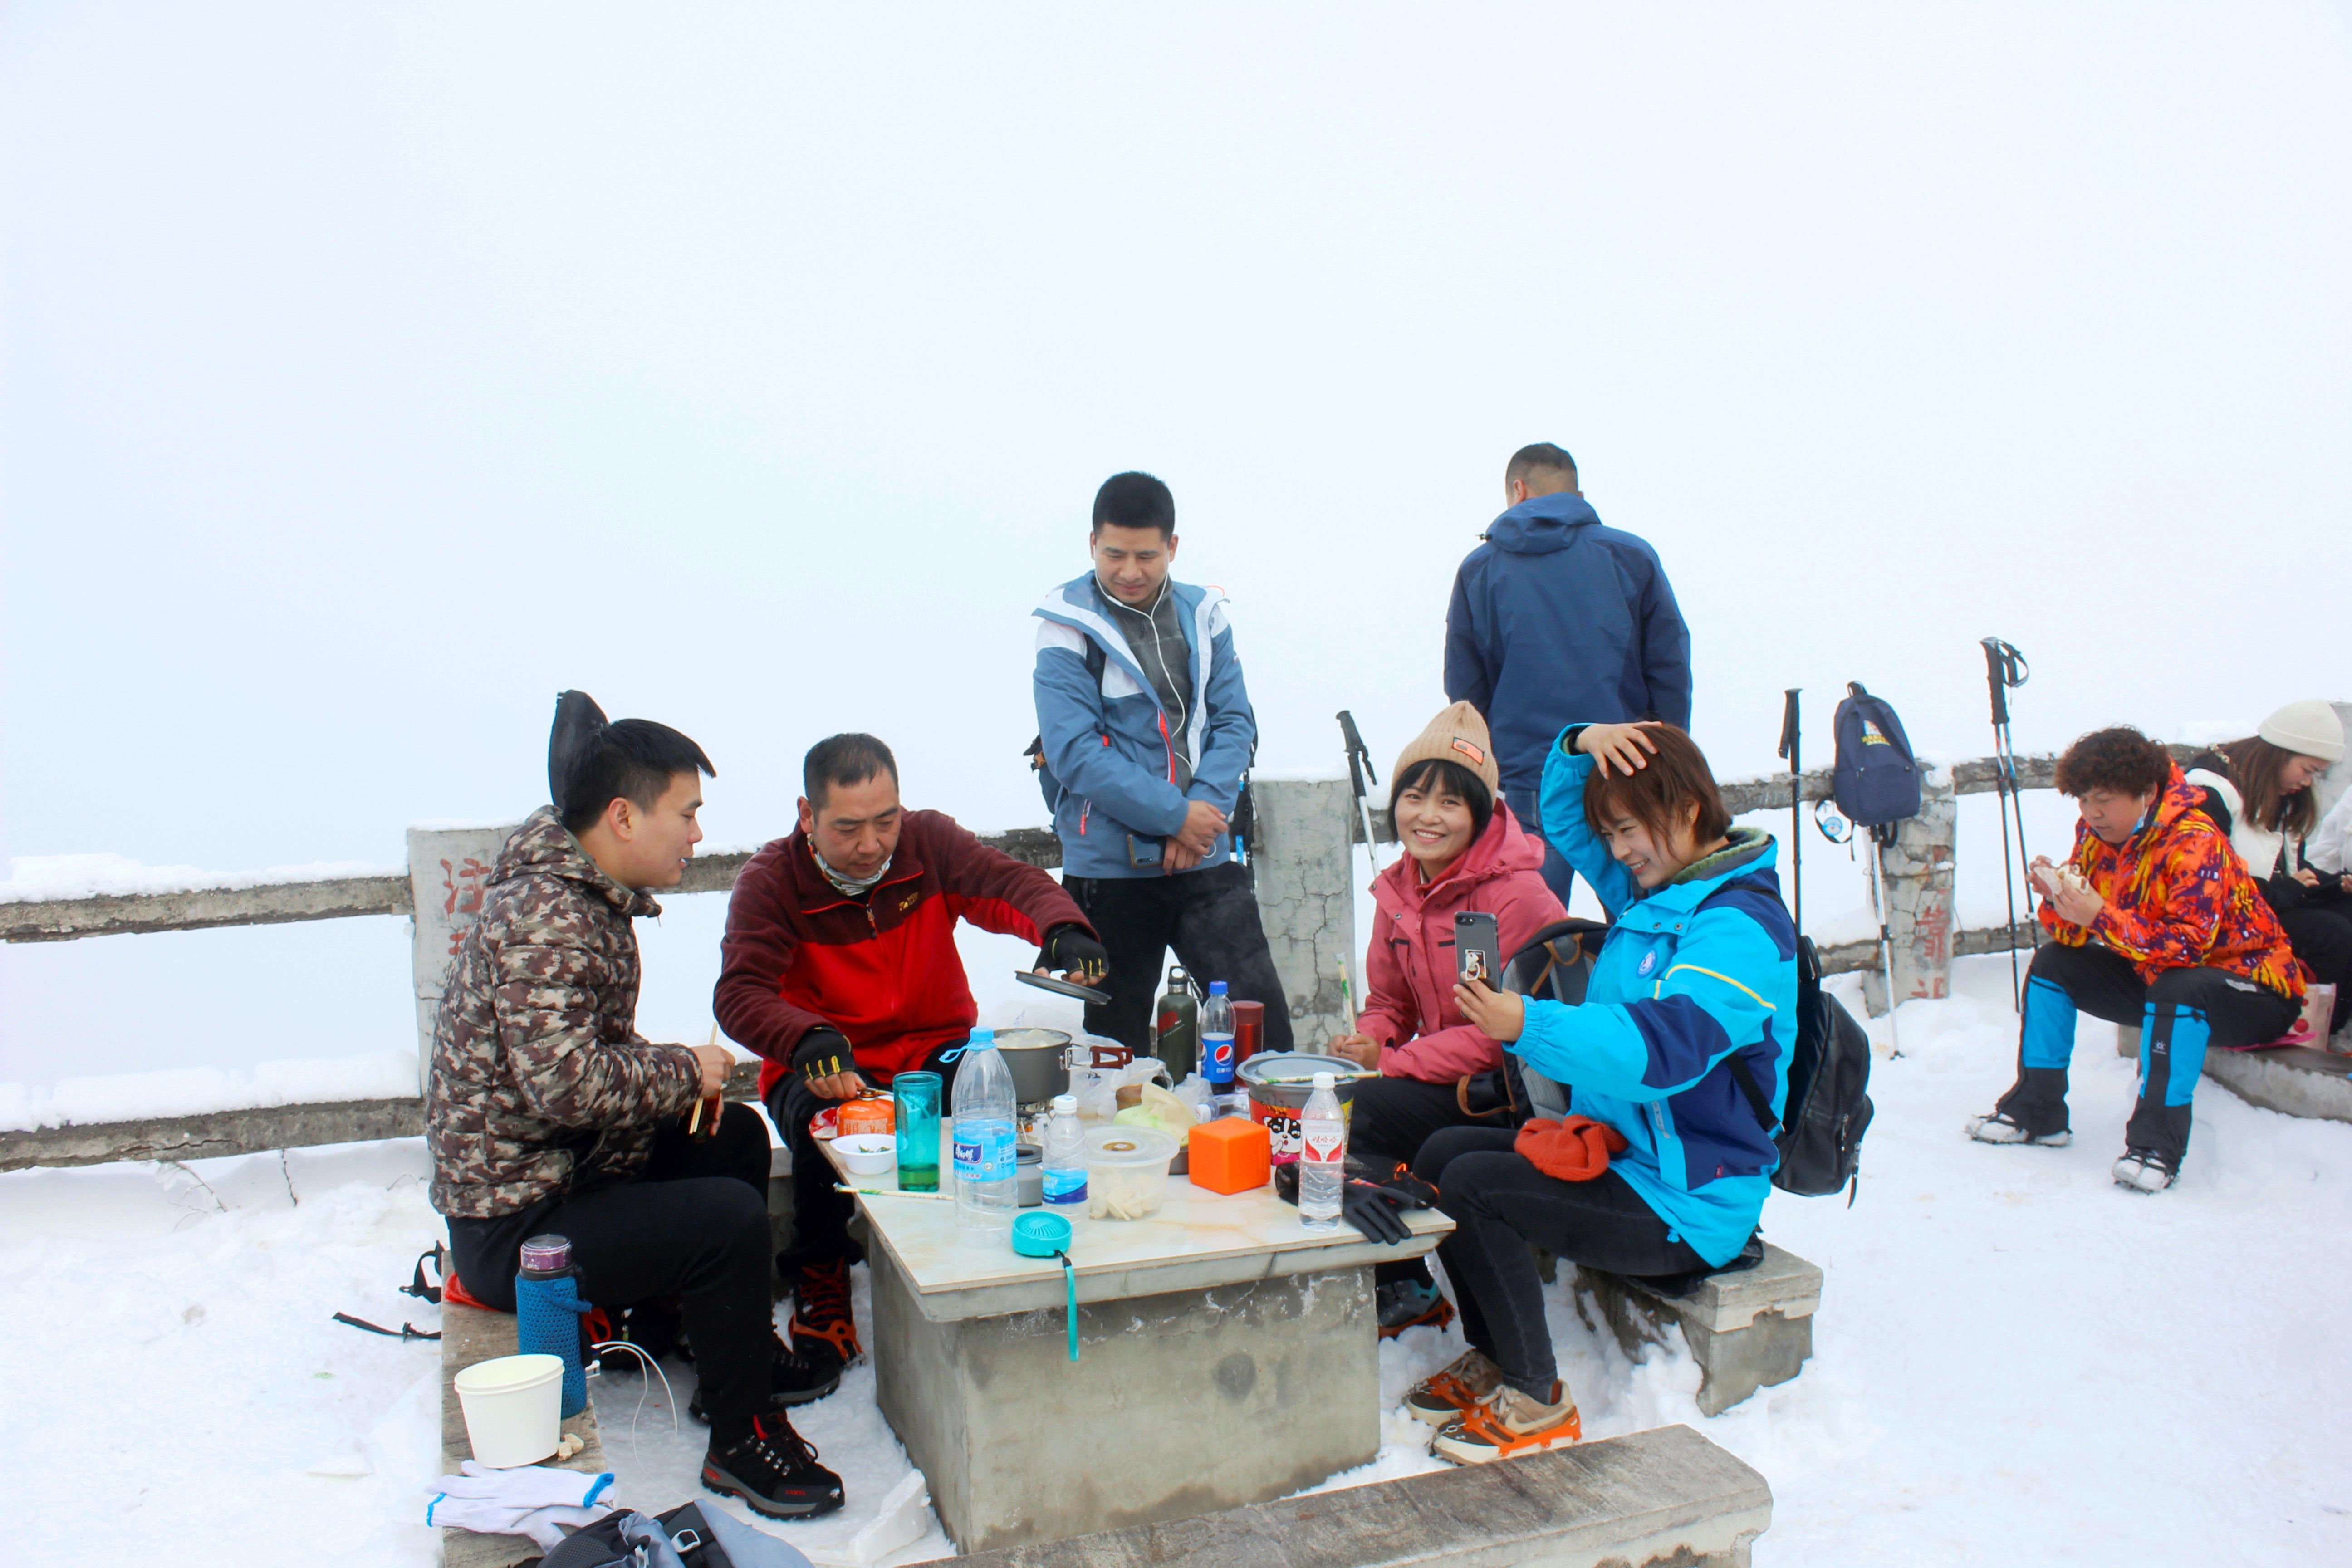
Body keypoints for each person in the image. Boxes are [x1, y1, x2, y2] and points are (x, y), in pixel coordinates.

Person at [427, 692, 844, 1520]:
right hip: (517, 1227)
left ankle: (706, 1338)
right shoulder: (547, 916)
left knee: (728, 1134)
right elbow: (564, 1083)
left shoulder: (581, 899)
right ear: (622, 816)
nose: (696, 834)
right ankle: (743, 1437)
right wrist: (684, 1066)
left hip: (563, 1173)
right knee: (725, 1216)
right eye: (685, 814)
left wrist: (688, 1082)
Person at [1399, 720, 1795, 1464]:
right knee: (1441, 1150)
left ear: (1682, 810)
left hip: (1686, 1202)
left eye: (1625, 830)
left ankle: (1534, 1398)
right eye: (1609, 833)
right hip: (1625, 1159)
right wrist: (1583, 741)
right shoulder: (1661, 893)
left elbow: (1661, 1050)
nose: (1615, 853)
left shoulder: (1738, 927)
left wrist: (1528, 1022)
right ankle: (1491, 1355)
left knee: (1477, 1185)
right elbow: (1559, 813)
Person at [715, 733, 1105, 1374]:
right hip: (826, 1059)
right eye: (848, 828)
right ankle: (821, 1278)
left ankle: (979, 1250)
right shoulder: (772, 883)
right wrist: (801, 1037)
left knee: (995, 1110)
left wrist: (1063, 929)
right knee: (829, 1138)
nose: (871, 845)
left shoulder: (928, 845)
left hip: (935, 1049)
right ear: (807, 816)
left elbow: (1008, 884)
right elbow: (740, 993)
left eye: (885, 821)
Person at [1966, 726, 2303, 1192]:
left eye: (2104, 799)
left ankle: (2156, 1146)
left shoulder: (2194, 839)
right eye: (2083, 800)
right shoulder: (2094, 834)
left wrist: (2100, 916)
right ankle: (2037, 1111)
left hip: (2254, 989)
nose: (2092, 813)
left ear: (2146, 792)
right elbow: (2073, 930)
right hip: (2159, 975)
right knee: (2054, 965)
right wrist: (2059, 897)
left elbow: (2189, 947)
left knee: (2178, 986)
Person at [1031, 470, 1293, 1056]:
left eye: (1147, 555)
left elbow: (1235, 723)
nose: (1130, 571)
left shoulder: (1207, 616)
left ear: (1172, 547)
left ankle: (1271, 1142)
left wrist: (1200, 812)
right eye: (1114, 553)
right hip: (1110, 874)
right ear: (1091, 543)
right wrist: (1175, 816)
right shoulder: (1064, 627)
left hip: (1206, 861)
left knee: (1263, 1036)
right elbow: (1074, 752)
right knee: (1112, 1054)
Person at [1323, 702, 1564, 1336]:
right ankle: (1402, 1285)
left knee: (1372, 1115)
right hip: (1451, 1076)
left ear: (1480, 813)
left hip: (1517, 1092)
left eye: (1451, 803)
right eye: (1415, 796)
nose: (1427, 816)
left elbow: (1494, 1035)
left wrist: (1392, 1064)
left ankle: (1409, 1276)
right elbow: (1389, 1003)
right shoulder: (1398, 889)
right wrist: (1367, 1042)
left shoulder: (1505, 897)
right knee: (1337, 1106)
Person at [1444, 443, 1692, 908]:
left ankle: (1532, 986)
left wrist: (1491, 765)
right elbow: (1670, 666)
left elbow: (1465, 691)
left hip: (1528, 780)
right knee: (1645, 924)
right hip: (1627, 769)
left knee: (1531, 928)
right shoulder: (1631, 555)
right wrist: (1667, 756)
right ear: (1577, 495)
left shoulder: (1480, 570)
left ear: (1518, 489)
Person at [2184, 700, 2350, 1038]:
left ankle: (2333, 1027)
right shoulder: (2211, 792)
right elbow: (2210, 887)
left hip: (2264, 907)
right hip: (2223, 925)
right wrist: (2291, 889)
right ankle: (2310, 1031)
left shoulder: (2281, 797)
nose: (2308, 783)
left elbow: (2289, 872)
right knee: (2331, 933)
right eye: (2307, 770)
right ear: (2281, 753)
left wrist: (2333, 884)